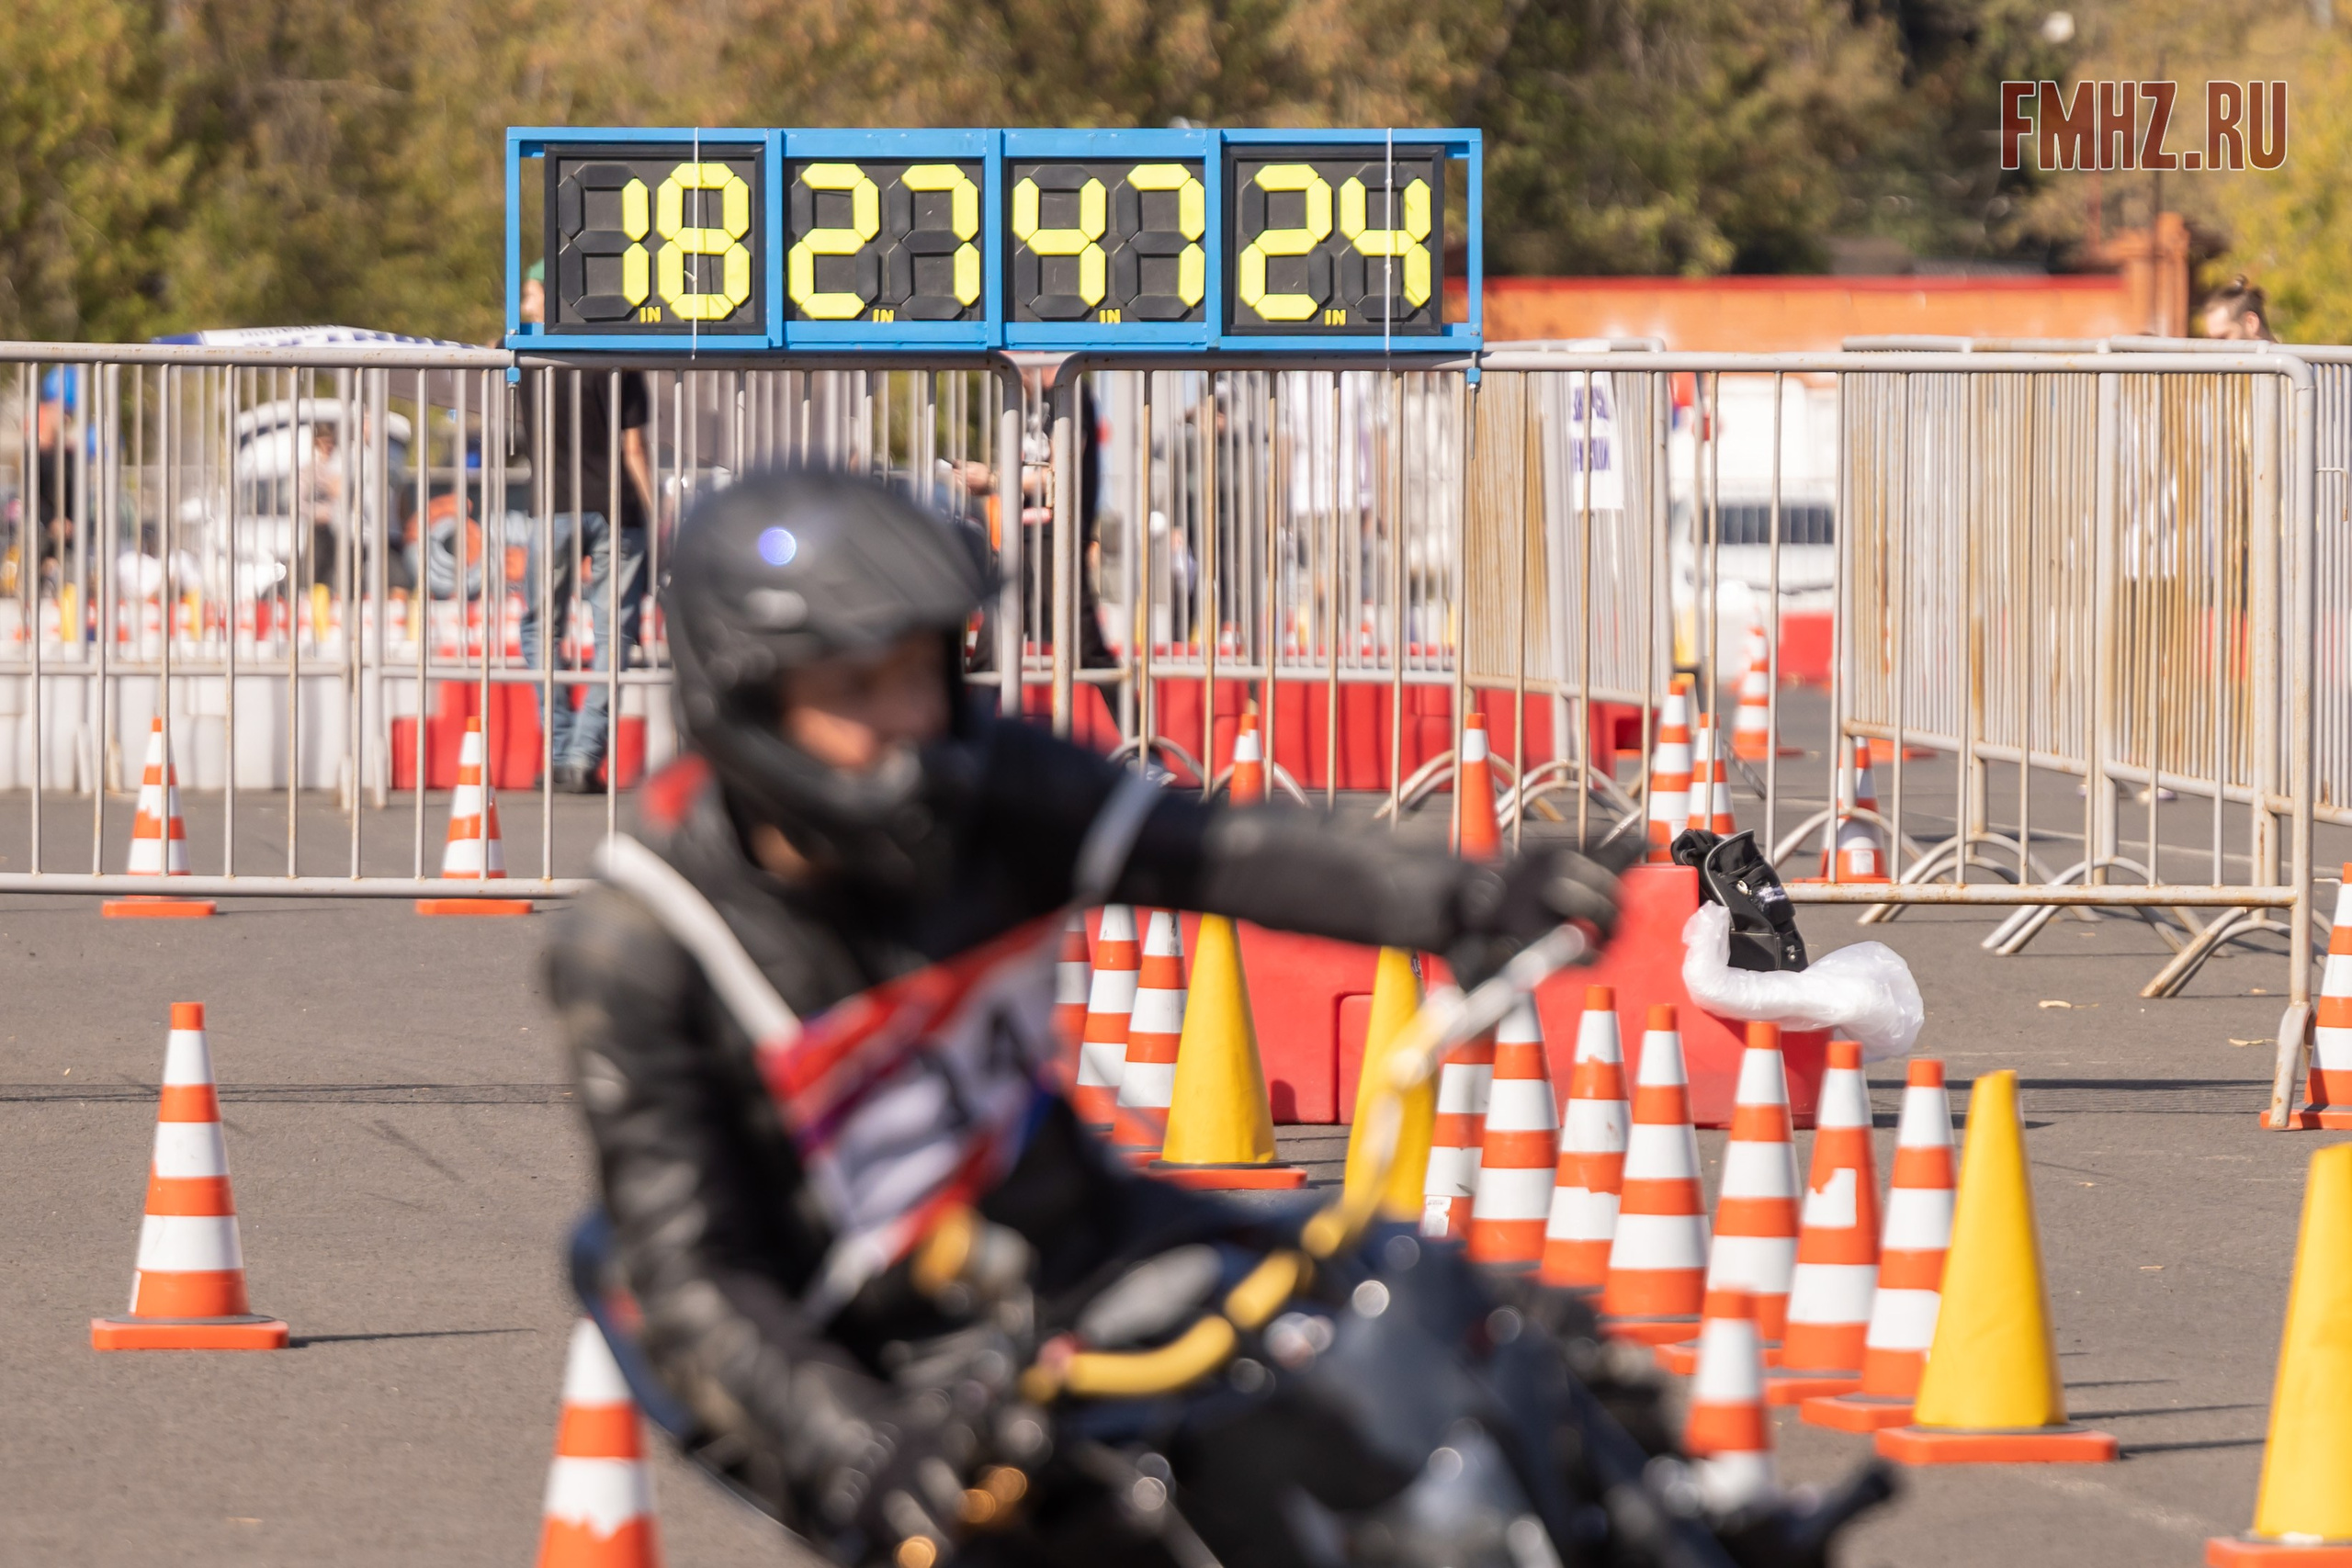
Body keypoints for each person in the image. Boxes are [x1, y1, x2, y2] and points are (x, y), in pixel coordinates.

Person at [545, 470, 1635, 1568]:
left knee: (1477, 1345)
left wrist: (1466, 899)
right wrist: (853, 1444)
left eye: (922, 671)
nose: (910, 722)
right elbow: (692, 1279)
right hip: (881, 1366)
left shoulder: (993, 784)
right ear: (750, 696)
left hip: (1090, 1239)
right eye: (858, 687)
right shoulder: (645, 943)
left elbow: (1211, 850)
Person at [516, 259, 658, 792]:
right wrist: (657, 513)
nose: (526, 306)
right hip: (618, 507)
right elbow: (634, 449)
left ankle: (557, 748)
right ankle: (582, 755)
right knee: (613, 634)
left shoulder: (525, 358)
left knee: (539, 627)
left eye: (532, 294)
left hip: (551, 506)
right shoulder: (618, 360)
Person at [2200, 275, 2278, 343]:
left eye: (2222, 338)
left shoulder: (2284, 358)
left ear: (2251, 323)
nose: (2215, 347)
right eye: (2211, 340)